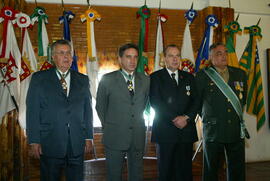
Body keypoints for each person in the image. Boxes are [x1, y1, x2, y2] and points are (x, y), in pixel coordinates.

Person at [26, 39, 93, 181]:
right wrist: (34, 141)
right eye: (61, 53)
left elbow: (87, 111)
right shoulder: (39, 79)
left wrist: (88, 137)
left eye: (69, 53)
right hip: (50, 143)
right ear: (53, 57)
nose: (66, 56)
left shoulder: (83, 79)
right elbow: (32, 111)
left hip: (77, 143)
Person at [96, 43, 150, 181]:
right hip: (115, 135)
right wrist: (111, 125)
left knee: (137, 175)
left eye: (135, 57)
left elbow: (143, 104)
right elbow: (100, 107)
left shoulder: (145, 80)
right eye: (128, 57)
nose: (132, 61)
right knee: (114, 175)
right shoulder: (107, 80)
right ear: (120, 59)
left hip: (137, 135)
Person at [195, 42, 247, 181]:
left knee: (237, 169)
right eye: (219, 53)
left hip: (235, 129)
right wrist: (210, 118)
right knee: (211, 169)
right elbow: (197, 103)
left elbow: (243, 100)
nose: (224, 56)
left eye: (225, 53)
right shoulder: (202, 76)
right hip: (213, 130)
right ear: (211, 57)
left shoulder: (240, 74)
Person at [149, 44, 199, 181]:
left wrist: (186, 118)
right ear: (164, 58)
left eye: (177, 55)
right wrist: (175, 119)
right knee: (166, 171)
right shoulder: (155, 77)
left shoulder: (189, 77)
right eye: (171, 56)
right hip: (165, 131)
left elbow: (196, 101)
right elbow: (155, 102)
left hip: (186, 131)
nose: (175, 59)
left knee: (185, 171)